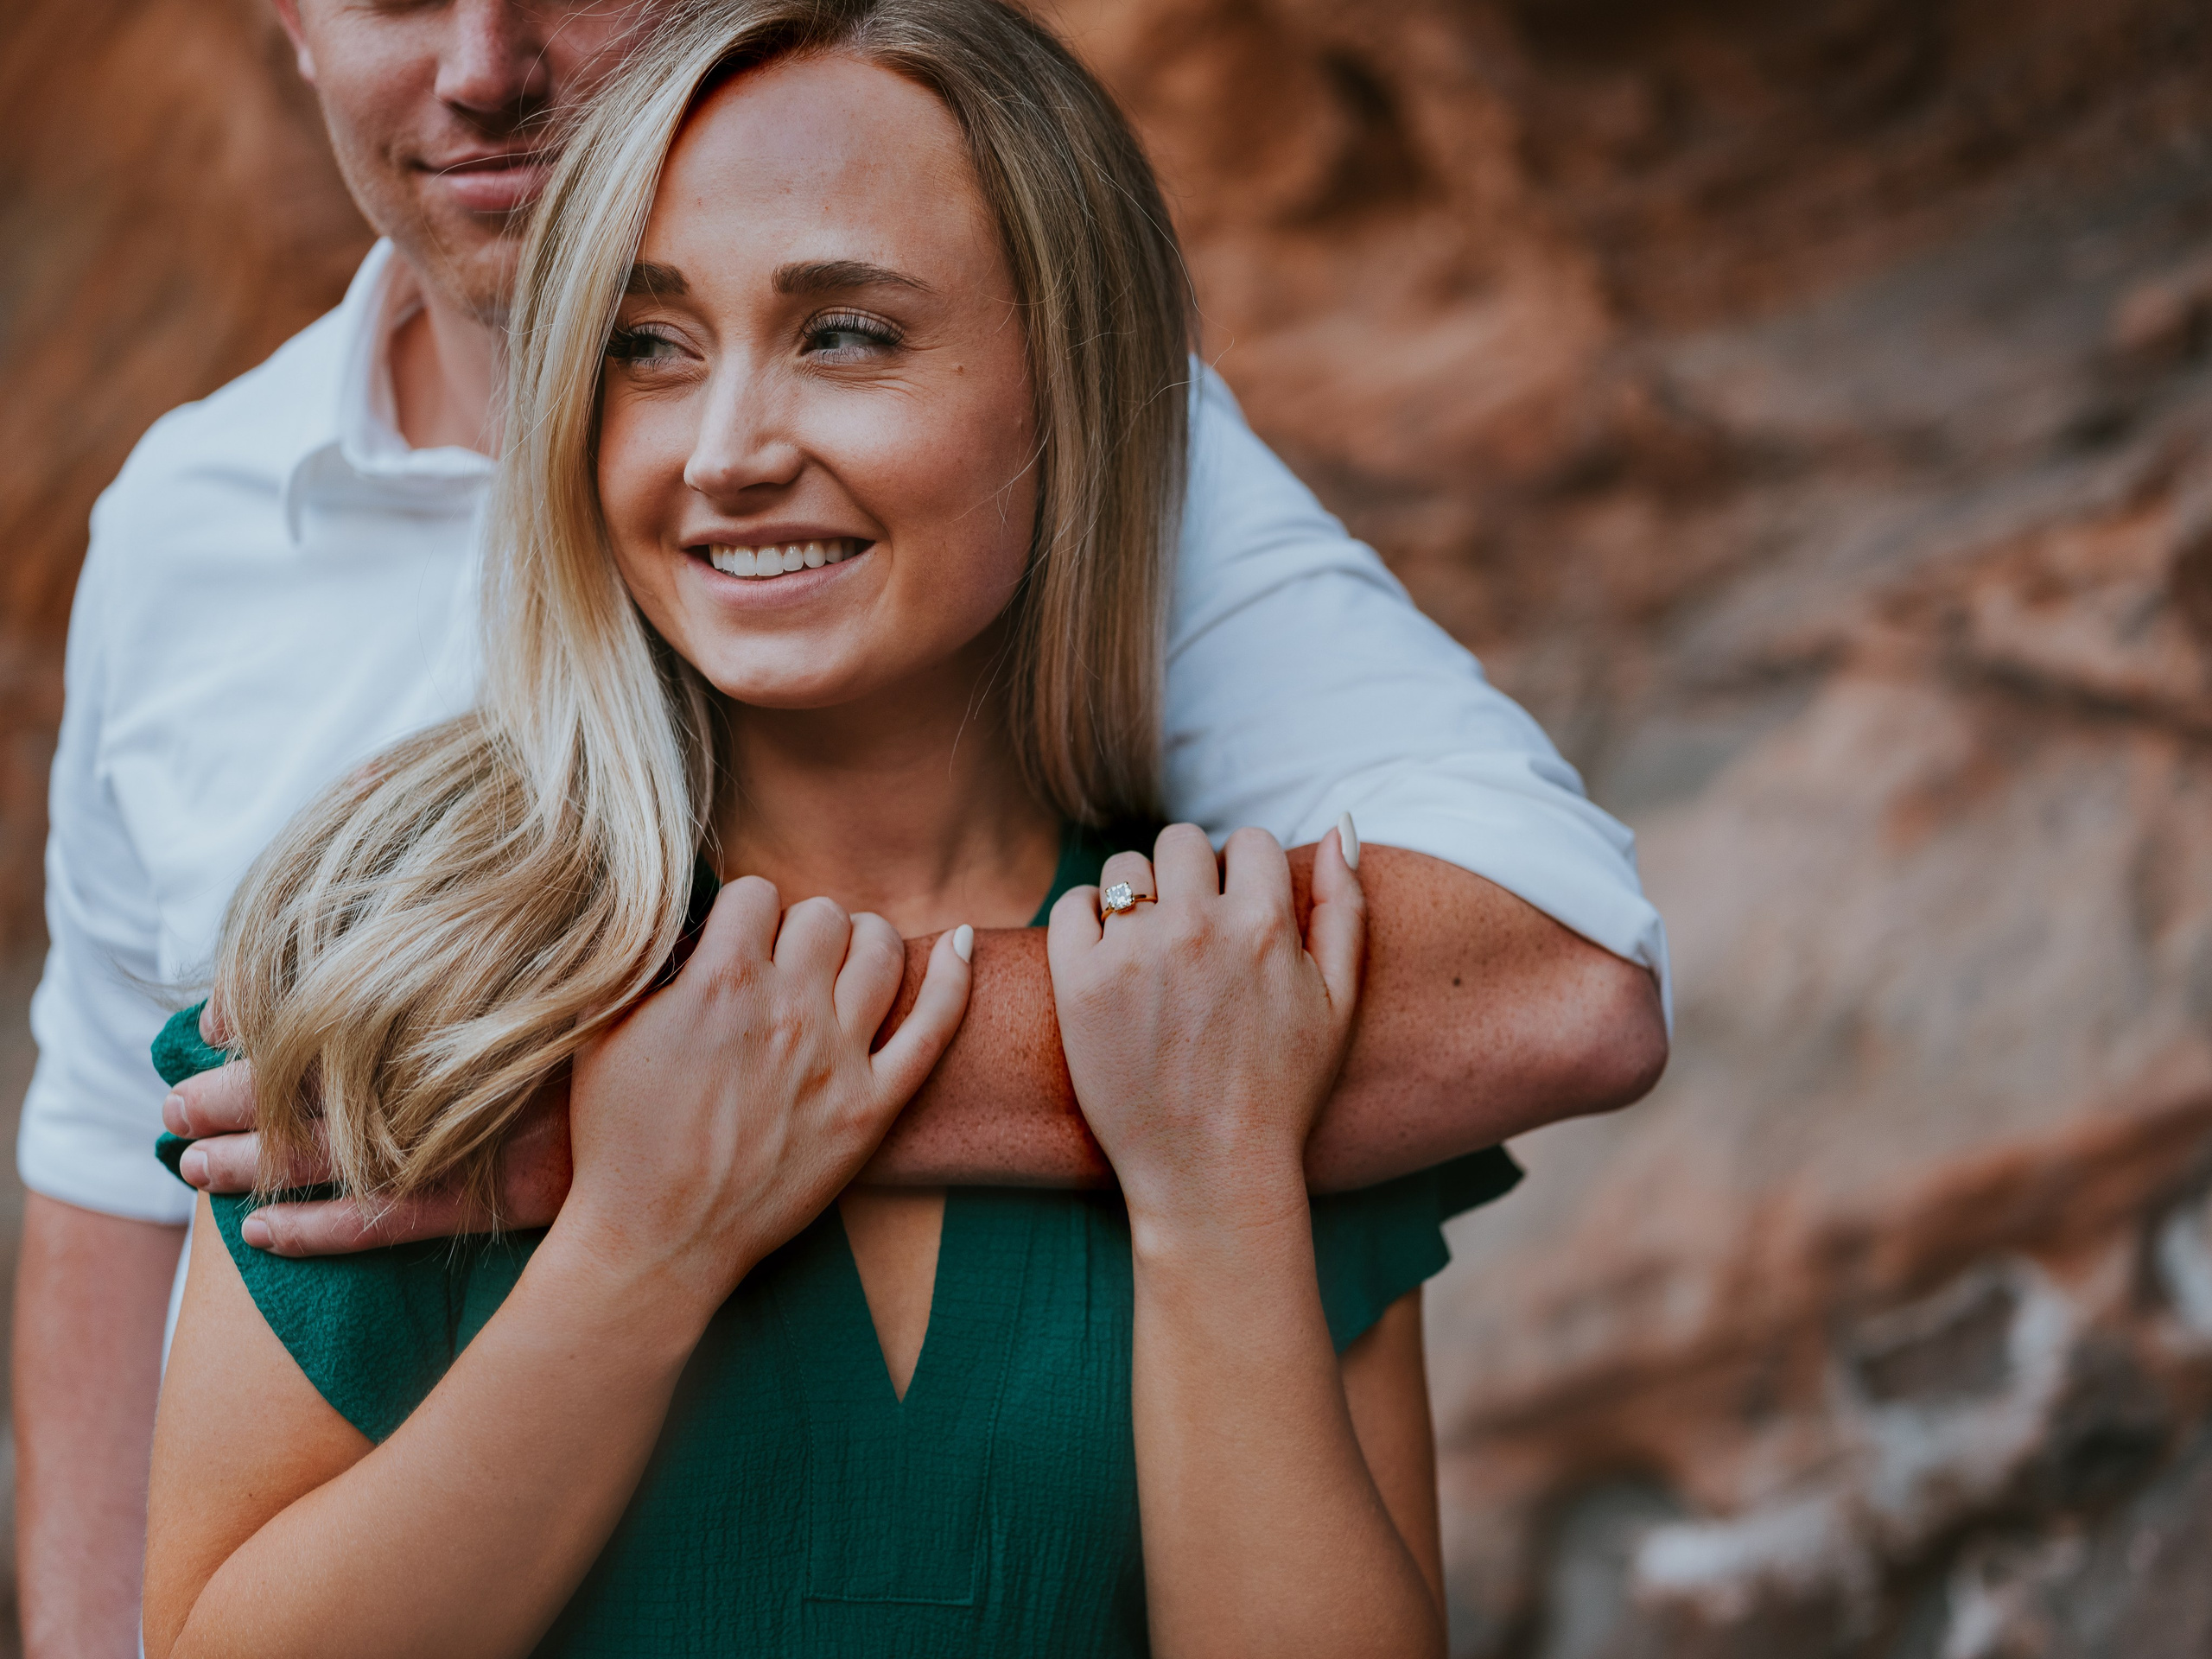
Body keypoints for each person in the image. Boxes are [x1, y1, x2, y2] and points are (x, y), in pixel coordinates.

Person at [17, 2, 1666, 1654]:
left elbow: (1576, 979)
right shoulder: (397, 958)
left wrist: (1210, 1180)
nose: (731, 452)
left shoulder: (1222, 991)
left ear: (1074, 388)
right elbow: (105, 1178)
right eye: (648, 346)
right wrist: (640, 1238)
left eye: (850, 336)